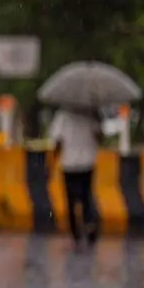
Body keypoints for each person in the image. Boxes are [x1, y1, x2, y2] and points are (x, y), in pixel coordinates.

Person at [48, 106, 103, 248]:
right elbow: (100, 138)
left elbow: (57, 141)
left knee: (71, 199)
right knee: (86, 195)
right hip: (87, 162)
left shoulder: (62, 115)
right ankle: (89, 223)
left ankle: (75, 232)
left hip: (69, 163)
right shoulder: (91, 113)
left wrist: (52, 161)